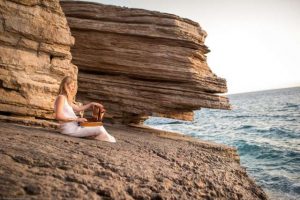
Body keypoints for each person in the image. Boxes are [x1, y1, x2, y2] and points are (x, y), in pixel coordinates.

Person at [53, 76, 116, 143]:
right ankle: (101, 138)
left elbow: (78, 109)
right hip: (69, 129)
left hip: (75, 126)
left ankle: (98, 137)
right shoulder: (61, 98)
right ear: (66, 85)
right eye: (72, 86)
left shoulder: (65, 99)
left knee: (98, 126)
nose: (73, 88)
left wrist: (91, 104)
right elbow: (58, 116)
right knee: (99, 128)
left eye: (74, 86)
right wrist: (77, 119)